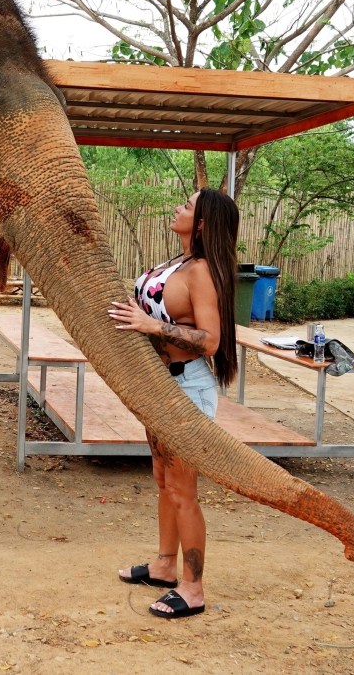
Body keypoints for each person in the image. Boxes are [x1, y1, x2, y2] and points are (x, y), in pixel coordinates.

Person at [109, 187, 239, 620]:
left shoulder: (203, 272)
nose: (177, 207)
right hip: (159, 385)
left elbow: (211, 340)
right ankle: (165, 566)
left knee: (183, 490)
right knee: (163, 480)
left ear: (202, 223)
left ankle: (194, 587)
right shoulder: (176, 262)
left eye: (188, 205)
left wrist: (147, 324)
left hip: (188, 388)